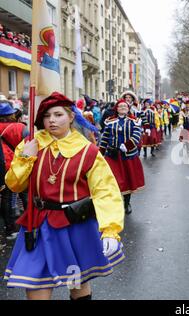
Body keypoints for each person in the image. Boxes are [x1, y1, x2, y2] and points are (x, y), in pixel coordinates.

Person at [3, 92, 125, 300]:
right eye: (47, 115)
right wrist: (26, 158)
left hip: (74, 226)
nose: (51, 120)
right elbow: (14, 185)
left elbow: (105, 191)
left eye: (58, 114)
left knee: (77, 285)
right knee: (35, 286)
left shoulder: (88, 151)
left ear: (70, 117)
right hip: (38, 225)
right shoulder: (31, 143)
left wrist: (110, 230)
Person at [100, 99, 145, 215]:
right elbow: (105, 137)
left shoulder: (134, 121)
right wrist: (100, 153)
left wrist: (127, 145)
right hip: (112, 155)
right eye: (120, 106)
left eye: (125, 106)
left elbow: (136, 135)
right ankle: (114, 202)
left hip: (127, 155)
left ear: (128, 108)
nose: (123, 108)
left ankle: (126, 203)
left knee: (127, 180)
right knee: (112, 180)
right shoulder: (110, 121)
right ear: (116, 108)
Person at [0, 101, 28, 240]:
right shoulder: (19, 127)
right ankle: (30, 224)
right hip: (17, 166)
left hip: (2, 167)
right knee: (25, 194)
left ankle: (10, 229)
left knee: (6, 197)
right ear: (10, 114)